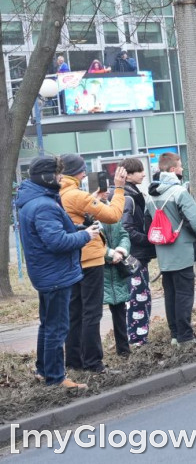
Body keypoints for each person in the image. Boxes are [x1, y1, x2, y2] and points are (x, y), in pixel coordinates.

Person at [17, 156, 99, 389]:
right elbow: (57, 241)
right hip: (55, 275)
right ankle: (56, 378)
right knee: (57, 327)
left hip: (47, 273)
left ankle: (44, 370)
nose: (61, 178)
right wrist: (86, 236)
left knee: (48, 324)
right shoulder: (44, 204)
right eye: (57, 174)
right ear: (46, 177)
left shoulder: (35, 200)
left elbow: (53, 232)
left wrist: (80, 228)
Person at [59, 154, 127, 374]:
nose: (85, 173)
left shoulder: (61, 192)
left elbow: (78, 210)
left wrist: (92, 198)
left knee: (75, 312)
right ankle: (94, 363)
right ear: (78, 172)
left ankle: (74, 362)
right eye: (83, 170)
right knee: (92, 313)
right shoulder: (76, 195)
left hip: (72, 260)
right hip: (89, 259)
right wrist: (119, 189)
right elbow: (113, 215)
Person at [147, 152, 196, 347]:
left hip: (163, 253)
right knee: (184, 294)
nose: (182, 169)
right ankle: (186, 337)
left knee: (171, 294)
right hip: (181, 250)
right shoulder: (179, 192)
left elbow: (147, 223)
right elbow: (194, 220)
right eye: (180, 166)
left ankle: (175, 334)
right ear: (173, 169)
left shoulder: (151, 194)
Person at [119, 157, 153, 347]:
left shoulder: (130, 194)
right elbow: (127, 228)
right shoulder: (128, 197)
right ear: (129, 174)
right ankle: (138, 339)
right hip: (134, 256)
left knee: (138, 296)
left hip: (135, 255)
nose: (143, 174)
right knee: (139, 297)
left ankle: (136, 337)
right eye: (139, 171)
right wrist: (147, 239)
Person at [100, 221, 132, 357]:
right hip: (98, 270)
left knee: (120, 310)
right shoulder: (88, 212)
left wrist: (120, 250)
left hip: (117, 269)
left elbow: (124, 234)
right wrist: (110, 254)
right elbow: (91, 245)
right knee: (92, 315)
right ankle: (93, 356)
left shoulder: (112, 212)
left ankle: (124, 349)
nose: (105, 197)